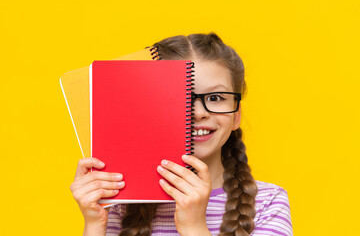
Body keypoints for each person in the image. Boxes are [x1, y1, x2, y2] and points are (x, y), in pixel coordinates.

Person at [70, 33, 293, 236]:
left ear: (236, 115)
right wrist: (94, 224)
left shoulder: (268, 203)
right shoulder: (119, 202)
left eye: (215, 98)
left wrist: (194, 227)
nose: (198, 113)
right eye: (181, 98)